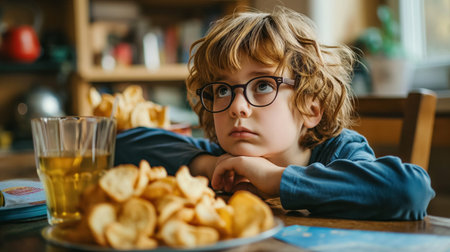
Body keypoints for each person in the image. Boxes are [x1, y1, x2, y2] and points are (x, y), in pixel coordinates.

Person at [115, 6, 434, 220]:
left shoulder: (339, 152)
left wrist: (275, 179)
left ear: (311, 108)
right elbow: (119, 147)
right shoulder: (224, 156)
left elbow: (411, 190)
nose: (238, 107)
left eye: (263, 86)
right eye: (223, 90)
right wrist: (208, 163)